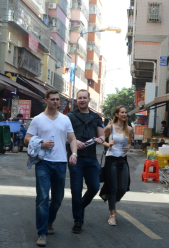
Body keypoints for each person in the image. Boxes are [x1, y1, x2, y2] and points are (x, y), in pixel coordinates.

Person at [24, 89, 78, 247]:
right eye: (53, 99)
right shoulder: (38, 120)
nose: (56, 102)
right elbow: (27, 138)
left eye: (57, 100)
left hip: (61, 162)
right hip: (43, 162)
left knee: (58, 197)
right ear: (46, 100)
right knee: (42, 197)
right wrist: (41, 144)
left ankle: (49, 221)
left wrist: (74, 154)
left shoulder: (65, 119)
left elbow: (72, 138)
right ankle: (42, 233)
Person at [66, 89, 104, 234]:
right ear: (76, 100)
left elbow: (102, 137)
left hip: (91, 158)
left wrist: (97, 139)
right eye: (79, 98)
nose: (82, 100)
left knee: (94, 187)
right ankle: (78, 220)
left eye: (84, 98)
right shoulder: (69, 116)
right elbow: (63, 137)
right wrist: (75, 142)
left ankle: (80, 206)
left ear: (89, 100)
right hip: (76, 159)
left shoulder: (96, 117)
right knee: (76, 191)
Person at [100, 105, 133, 226]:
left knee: (123, 187)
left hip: (122, 159)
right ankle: (112, 214)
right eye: (122, 112)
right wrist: (108, 144)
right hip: (111, 159)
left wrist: (127, 148)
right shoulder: (110, 127)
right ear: (117, 114)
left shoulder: (129, 129)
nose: (124, 114)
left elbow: (129, 143)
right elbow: (100, 140)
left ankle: (112, 200)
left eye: (125, 112)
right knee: (113, 188)